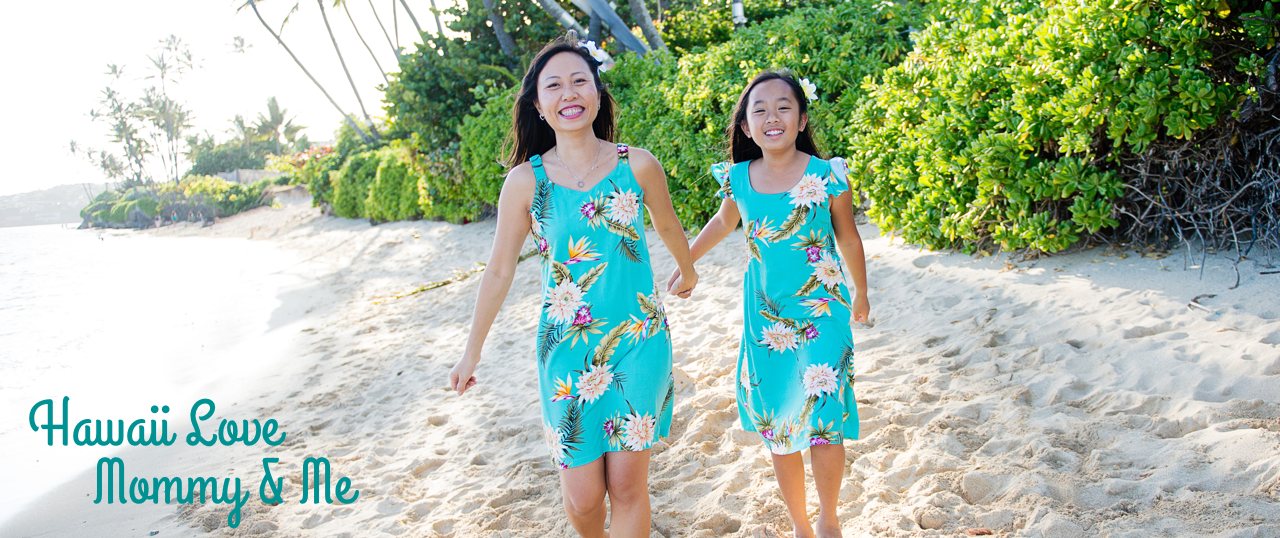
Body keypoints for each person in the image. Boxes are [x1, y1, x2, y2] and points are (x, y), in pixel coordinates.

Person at [449, 36, 698, 538]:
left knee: (629, 487)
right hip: (565, 348)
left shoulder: (638, 164)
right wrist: (470, 352)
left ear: (599, 94)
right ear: (538, 106)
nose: (570, 92)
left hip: (638, 339)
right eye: (554, 85)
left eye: (580, 80)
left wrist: (687, 269)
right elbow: (499, 270)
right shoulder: (525, 183)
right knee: (584, 500)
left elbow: (669, 226)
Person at [669, 70, 870, 538]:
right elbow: (721, 224)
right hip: (767, 320)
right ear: (745, 127)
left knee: (824, 419)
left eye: (783, 107)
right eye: (759, 109)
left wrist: (861, 291)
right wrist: (685, 262)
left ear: (801, 120)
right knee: (779, 422)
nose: (771, 116)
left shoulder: (828, 174)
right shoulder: (738, 178)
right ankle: (800, 525)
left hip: (824, 312)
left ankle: (829, 518)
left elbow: (849, 237)